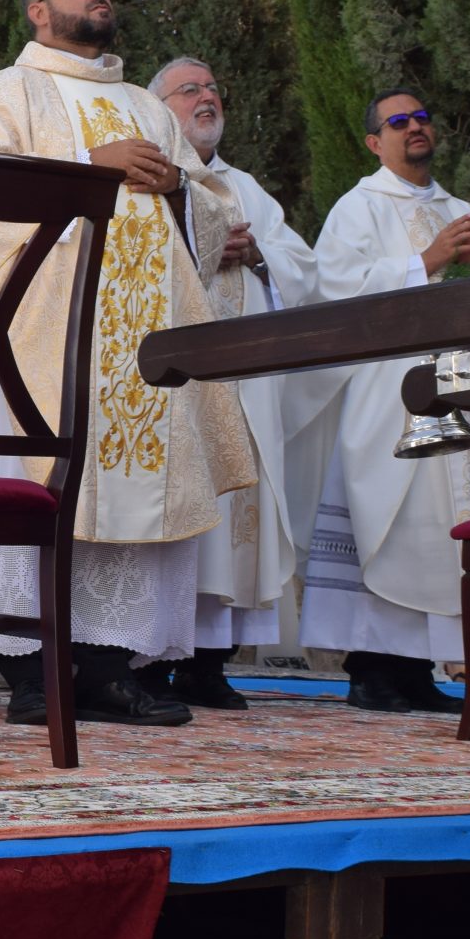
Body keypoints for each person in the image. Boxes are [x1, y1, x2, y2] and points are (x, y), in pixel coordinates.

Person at [0, 0, 256, 727]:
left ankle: (108, 670)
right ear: (38, 10)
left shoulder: (145, 105)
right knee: (33, 484)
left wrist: (178, 188)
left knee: (143, 486)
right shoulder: (12, 90)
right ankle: (29, 672)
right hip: (39, 335)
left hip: (145, 342)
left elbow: (211, 206)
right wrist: (83, 167)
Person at [305, 88, 470, 714]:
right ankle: (371, 669)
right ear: (375, 142)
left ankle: (417, 669)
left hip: (461, 385)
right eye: (398, 122)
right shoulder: (358, 207)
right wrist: (426, 261)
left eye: (422, 118)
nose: (414, 128)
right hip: (393, 389)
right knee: (395, 523)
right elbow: (332, 290)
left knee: (443, 534)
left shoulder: (460, 209)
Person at [146, 56, 328, 710]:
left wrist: (258, 254)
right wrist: (200, 245)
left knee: (234, 523)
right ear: (158, 106)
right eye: (189, 89)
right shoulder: (149, 177)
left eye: (213, 88)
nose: (206, 97)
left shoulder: (244, 186)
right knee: (178, 507)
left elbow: (305, 266)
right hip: (175, 384)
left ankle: (207, 663)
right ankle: (150, 659)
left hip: (244, 384)